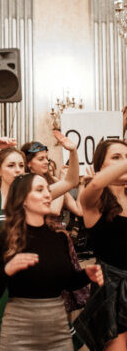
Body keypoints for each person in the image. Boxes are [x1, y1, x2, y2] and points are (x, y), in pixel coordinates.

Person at [0, 131, 80, 350]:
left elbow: (71, 181)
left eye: (21, 166)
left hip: (36, 285)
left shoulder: (36, 194)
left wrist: (72, 151)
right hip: (2, 284)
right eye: (11, 166)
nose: (17, 171)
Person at [0, 172, 103, 351]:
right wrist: (7, 270)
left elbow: (66, 281)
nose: (48, 194)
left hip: (58, 328)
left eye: (47, 189)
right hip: (19, 330)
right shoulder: (6, 238)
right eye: (39, 190)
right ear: (22, 199)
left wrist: (86, 275)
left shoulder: (59, 237)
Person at [74, 139, 127, 351]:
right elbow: (96, 184)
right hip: (111, 290)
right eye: (116, 157)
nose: (124, 162)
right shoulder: (93, 200)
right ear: (100, 167)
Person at [21, 138, 82, 217]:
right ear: (28, 163)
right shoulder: (24, 184)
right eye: (41, 159)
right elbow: (54, 210)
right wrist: (62, 181)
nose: (46, 162)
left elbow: (79, 210)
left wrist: (82, 183)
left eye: (46, 158)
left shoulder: (54, 180)